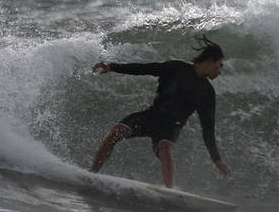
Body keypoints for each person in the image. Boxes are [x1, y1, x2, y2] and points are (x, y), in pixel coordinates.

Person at [90, 35, 231, 188]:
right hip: (151, 116)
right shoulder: (176, 68)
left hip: (171, 127)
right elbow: (144, 69)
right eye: (219, 65)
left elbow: (208, 129)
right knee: (117, 131)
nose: (219, 71)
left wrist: (217, 160)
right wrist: (112, 67)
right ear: (210, 61)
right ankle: (91, 173)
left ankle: (169, 191)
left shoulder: (207, 93)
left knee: (165, 149)